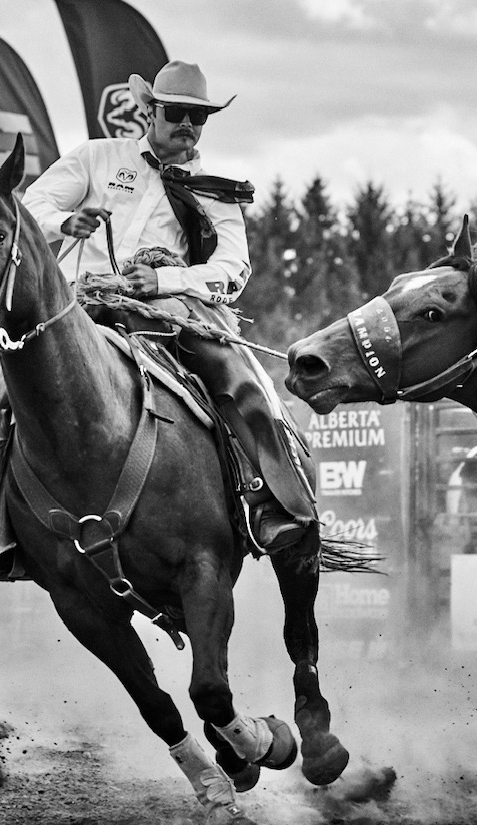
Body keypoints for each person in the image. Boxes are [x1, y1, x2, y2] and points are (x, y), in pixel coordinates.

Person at [22, 60, 314, 553]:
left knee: (239, 379)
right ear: (150, 111)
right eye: (177, 112)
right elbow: (32, 206)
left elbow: (234, 269)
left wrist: (164, 280)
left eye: (198, 117)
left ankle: (269, 501)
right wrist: (67, 221)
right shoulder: (97, 158)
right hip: (78, 308)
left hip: (168, 316)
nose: (188, 125)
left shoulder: (216, 190)